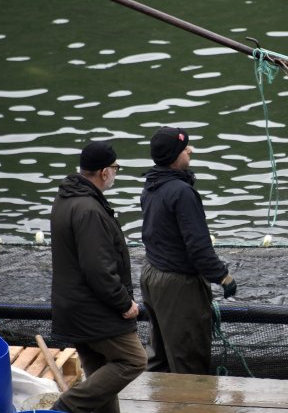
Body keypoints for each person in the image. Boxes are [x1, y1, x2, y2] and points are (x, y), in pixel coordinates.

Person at [50, 141, 147, 413]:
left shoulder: (65, 198)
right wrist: (124, 304)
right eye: (115, 168)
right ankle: (66, 406)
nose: (116, 173)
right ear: (105, 172)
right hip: (94, 310)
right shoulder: (90, 210)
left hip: (71, 307)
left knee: (101, 374)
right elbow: (98, 269)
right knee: (133, 360)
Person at [140, 126, 237, 374]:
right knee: (189, 360)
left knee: (159, 354)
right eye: (185, 148)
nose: (190, 150)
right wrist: (223, 277)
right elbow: (199, 247)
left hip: (152, 275)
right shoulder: (182, 192)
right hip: (177, 285)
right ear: (175, 156)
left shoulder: (151, 185)